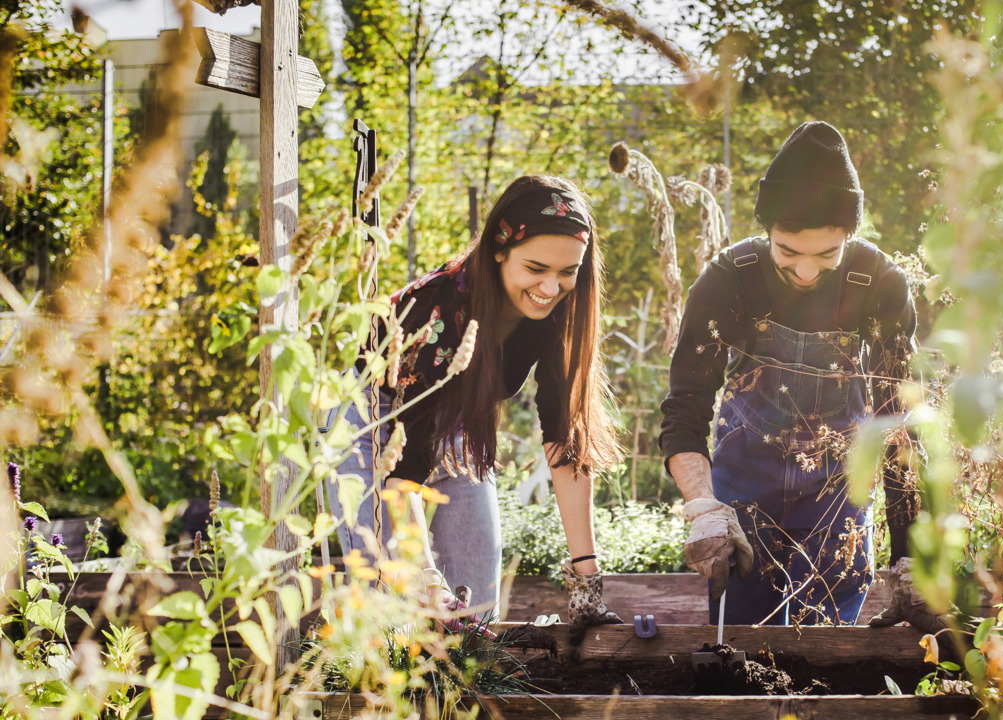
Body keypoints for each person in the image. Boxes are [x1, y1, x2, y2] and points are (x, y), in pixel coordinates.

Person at [659, 121, 943, 630]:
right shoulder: (729, 280)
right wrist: (703, 507)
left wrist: (908, 557)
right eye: (788, 252)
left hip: (838, 490)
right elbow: (685, 408)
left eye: (826, 255)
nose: (808, 272)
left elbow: (897, 422)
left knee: (829, 648)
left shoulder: (877, 283)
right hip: (743, 487)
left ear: (851, 235)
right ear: (767, 228)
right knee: (741, 643)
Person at [326, 175, 625, 640]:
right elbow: (405, 472)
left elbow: (564, 443)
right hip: (375, 426)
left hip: (459, 427)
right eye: (537, 268)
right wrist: (424, 578)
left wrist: (587, 583)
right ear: (499, 251)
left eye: (569, 272)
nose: (552, 286)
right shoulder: (437, 314)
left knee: (475, 609)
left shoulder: (558, 311)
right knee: (394, 603)